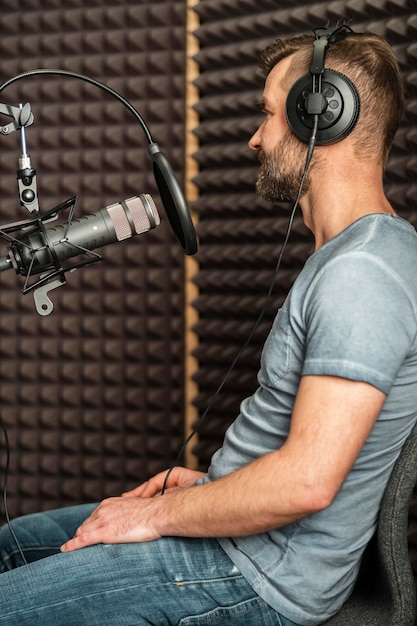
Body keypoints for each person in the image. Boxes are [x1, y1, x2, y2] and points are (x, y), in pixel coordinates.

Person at [0, 25, 416, 626]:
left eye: (269, 114)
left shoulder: (362, 275)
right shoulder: (360, 255)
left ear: (319, 115)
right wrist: (214, 485)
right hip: (242, 537)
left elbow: (306, 483)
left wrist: (155, 515)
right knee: (14, 543)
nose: (254, 138)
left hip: (255, 575)